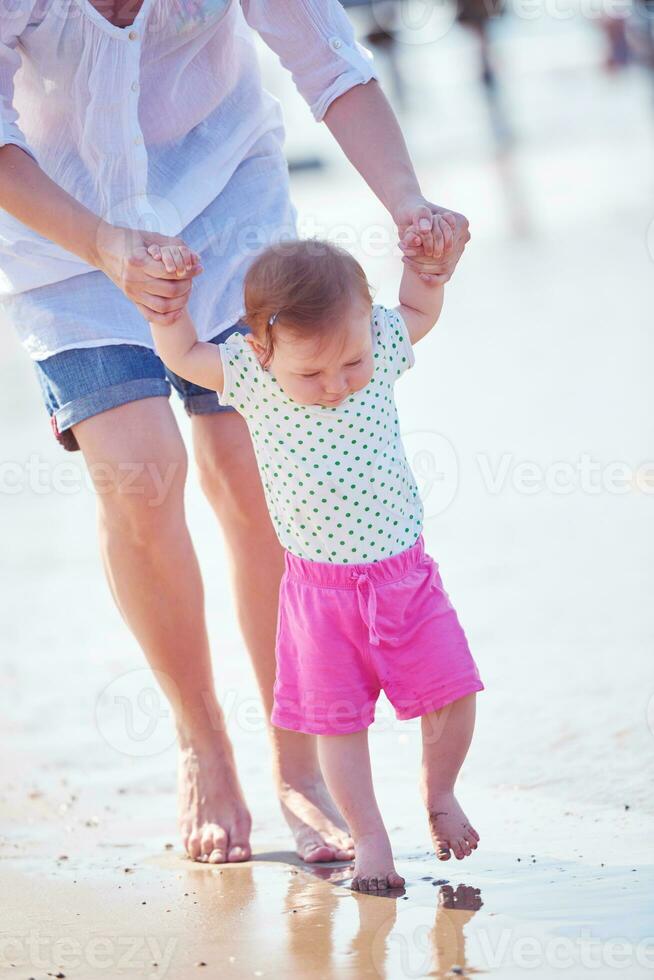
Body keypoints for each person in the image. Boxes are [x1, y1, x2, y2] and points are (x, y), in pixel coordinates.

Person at [0, 0, 470, 864]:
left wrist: (410, 205)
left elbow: (331, 64)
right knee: (142, 475)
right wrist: (105, 243)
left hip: (227, 202)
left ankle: (297, 761)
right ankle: (202, 744)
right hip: (63, 235)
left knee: (252, 480)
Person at [147, 228, 485, 889]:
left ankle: (439, 793)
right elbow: (185, 353)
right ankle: (371, 839)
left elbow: (416, 312)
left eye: (351, 364)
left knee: (453, 692)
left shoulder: (381, 345)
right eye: (311, 372)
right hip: (319, 597)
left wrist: (428, 272)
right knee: (339, 725)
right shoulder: (250, 375)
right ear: (262, 351)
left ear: (369, 332)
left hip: (404, 578)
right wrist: (168, 312)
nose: (336, 385)